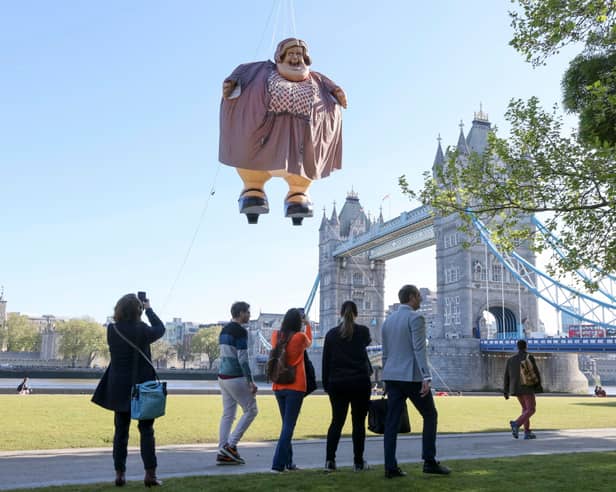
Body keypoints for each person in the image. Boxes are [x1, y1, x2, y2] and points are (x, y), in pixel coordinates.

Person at [219, 38, 347, 224]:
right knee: (252, 164)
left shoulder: (316, 78)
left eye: (299, 54)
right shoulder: (258, 71)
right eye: (291, 54)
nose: (296, 58)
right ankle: (253, 190)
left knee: (302, 169)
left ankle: (298, 194)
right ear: (281, 56)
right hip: (262, 136)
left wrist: (337, 93)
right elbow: (239, 76)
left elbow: (333, 89)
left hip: (300, 141)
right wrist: (232, 83)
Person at [92, 293, 165, 487]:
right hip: (142, 386)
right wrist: (149, 309)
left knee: (120, 431)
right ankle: (150, 474)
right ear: (138, 310)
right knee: (147, 430)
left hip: (119, 386)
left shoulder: (112, 330)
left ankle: (119, 474)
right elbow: (161, 329)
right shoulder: (143, 330)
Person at [381, 285, 451, 479]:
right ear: (411, 297)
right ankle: (429, 461)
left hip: (392, 376)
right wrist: (426, 377)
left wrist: (384, 379)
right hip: (411, 376)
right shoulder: (416, 317)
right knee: (430, 414)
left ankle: (390, 467)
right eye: (419, 297)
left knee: (391, 423)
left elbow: (385, 354)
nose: (421, 300)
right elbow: (419, 349)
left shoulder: (388, 321)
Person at [322, 300, 372, 472]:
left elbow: (326, 362)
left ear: (340, 313)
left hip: (338, 383)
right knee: (358, 424)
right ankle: (358, 462)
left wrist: (327, 385)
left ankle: (330, 461)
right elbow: (365, 344)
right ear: (356, 314)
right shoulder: (363, 332)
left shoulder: (331, 335)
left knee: (336, 422)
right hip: (360, 382)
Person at [216, 301, 259, 465]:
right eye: (248, 312)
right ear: (240, 313)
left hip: (222, 377)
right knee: (251, 410)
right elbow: (243, 358)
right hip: (235, 377)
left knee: (228, 414)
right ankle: (230, 446)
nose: (249, 315)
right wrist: (251, 382)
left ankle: (222, 450)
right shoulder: (241, 331)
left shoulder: (224, 330)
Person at [270, 308, 312, 472]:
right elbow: (309, 342)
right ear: (298, 322)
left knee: (285, 426)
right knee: (288, 426)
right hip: (295, 385)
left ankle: (289, 463)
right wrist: (307, 324)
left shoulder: (275, 336)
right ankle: (277, 465)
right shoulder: (300, 337)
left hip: (278, 385)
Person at [503, 339, 543, 440]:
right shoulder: (529, 357)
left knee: (525, 410)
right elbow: (535, 372)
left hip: (515, 389)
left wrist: (506, 391)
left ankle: (527, 432)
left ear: (517, 347)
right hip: (527, 387)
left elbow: (506, 376)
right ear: (526, 346)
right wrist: (538, 385)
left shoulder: (510, 360)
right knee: (531, 409)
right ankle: (516, 424)